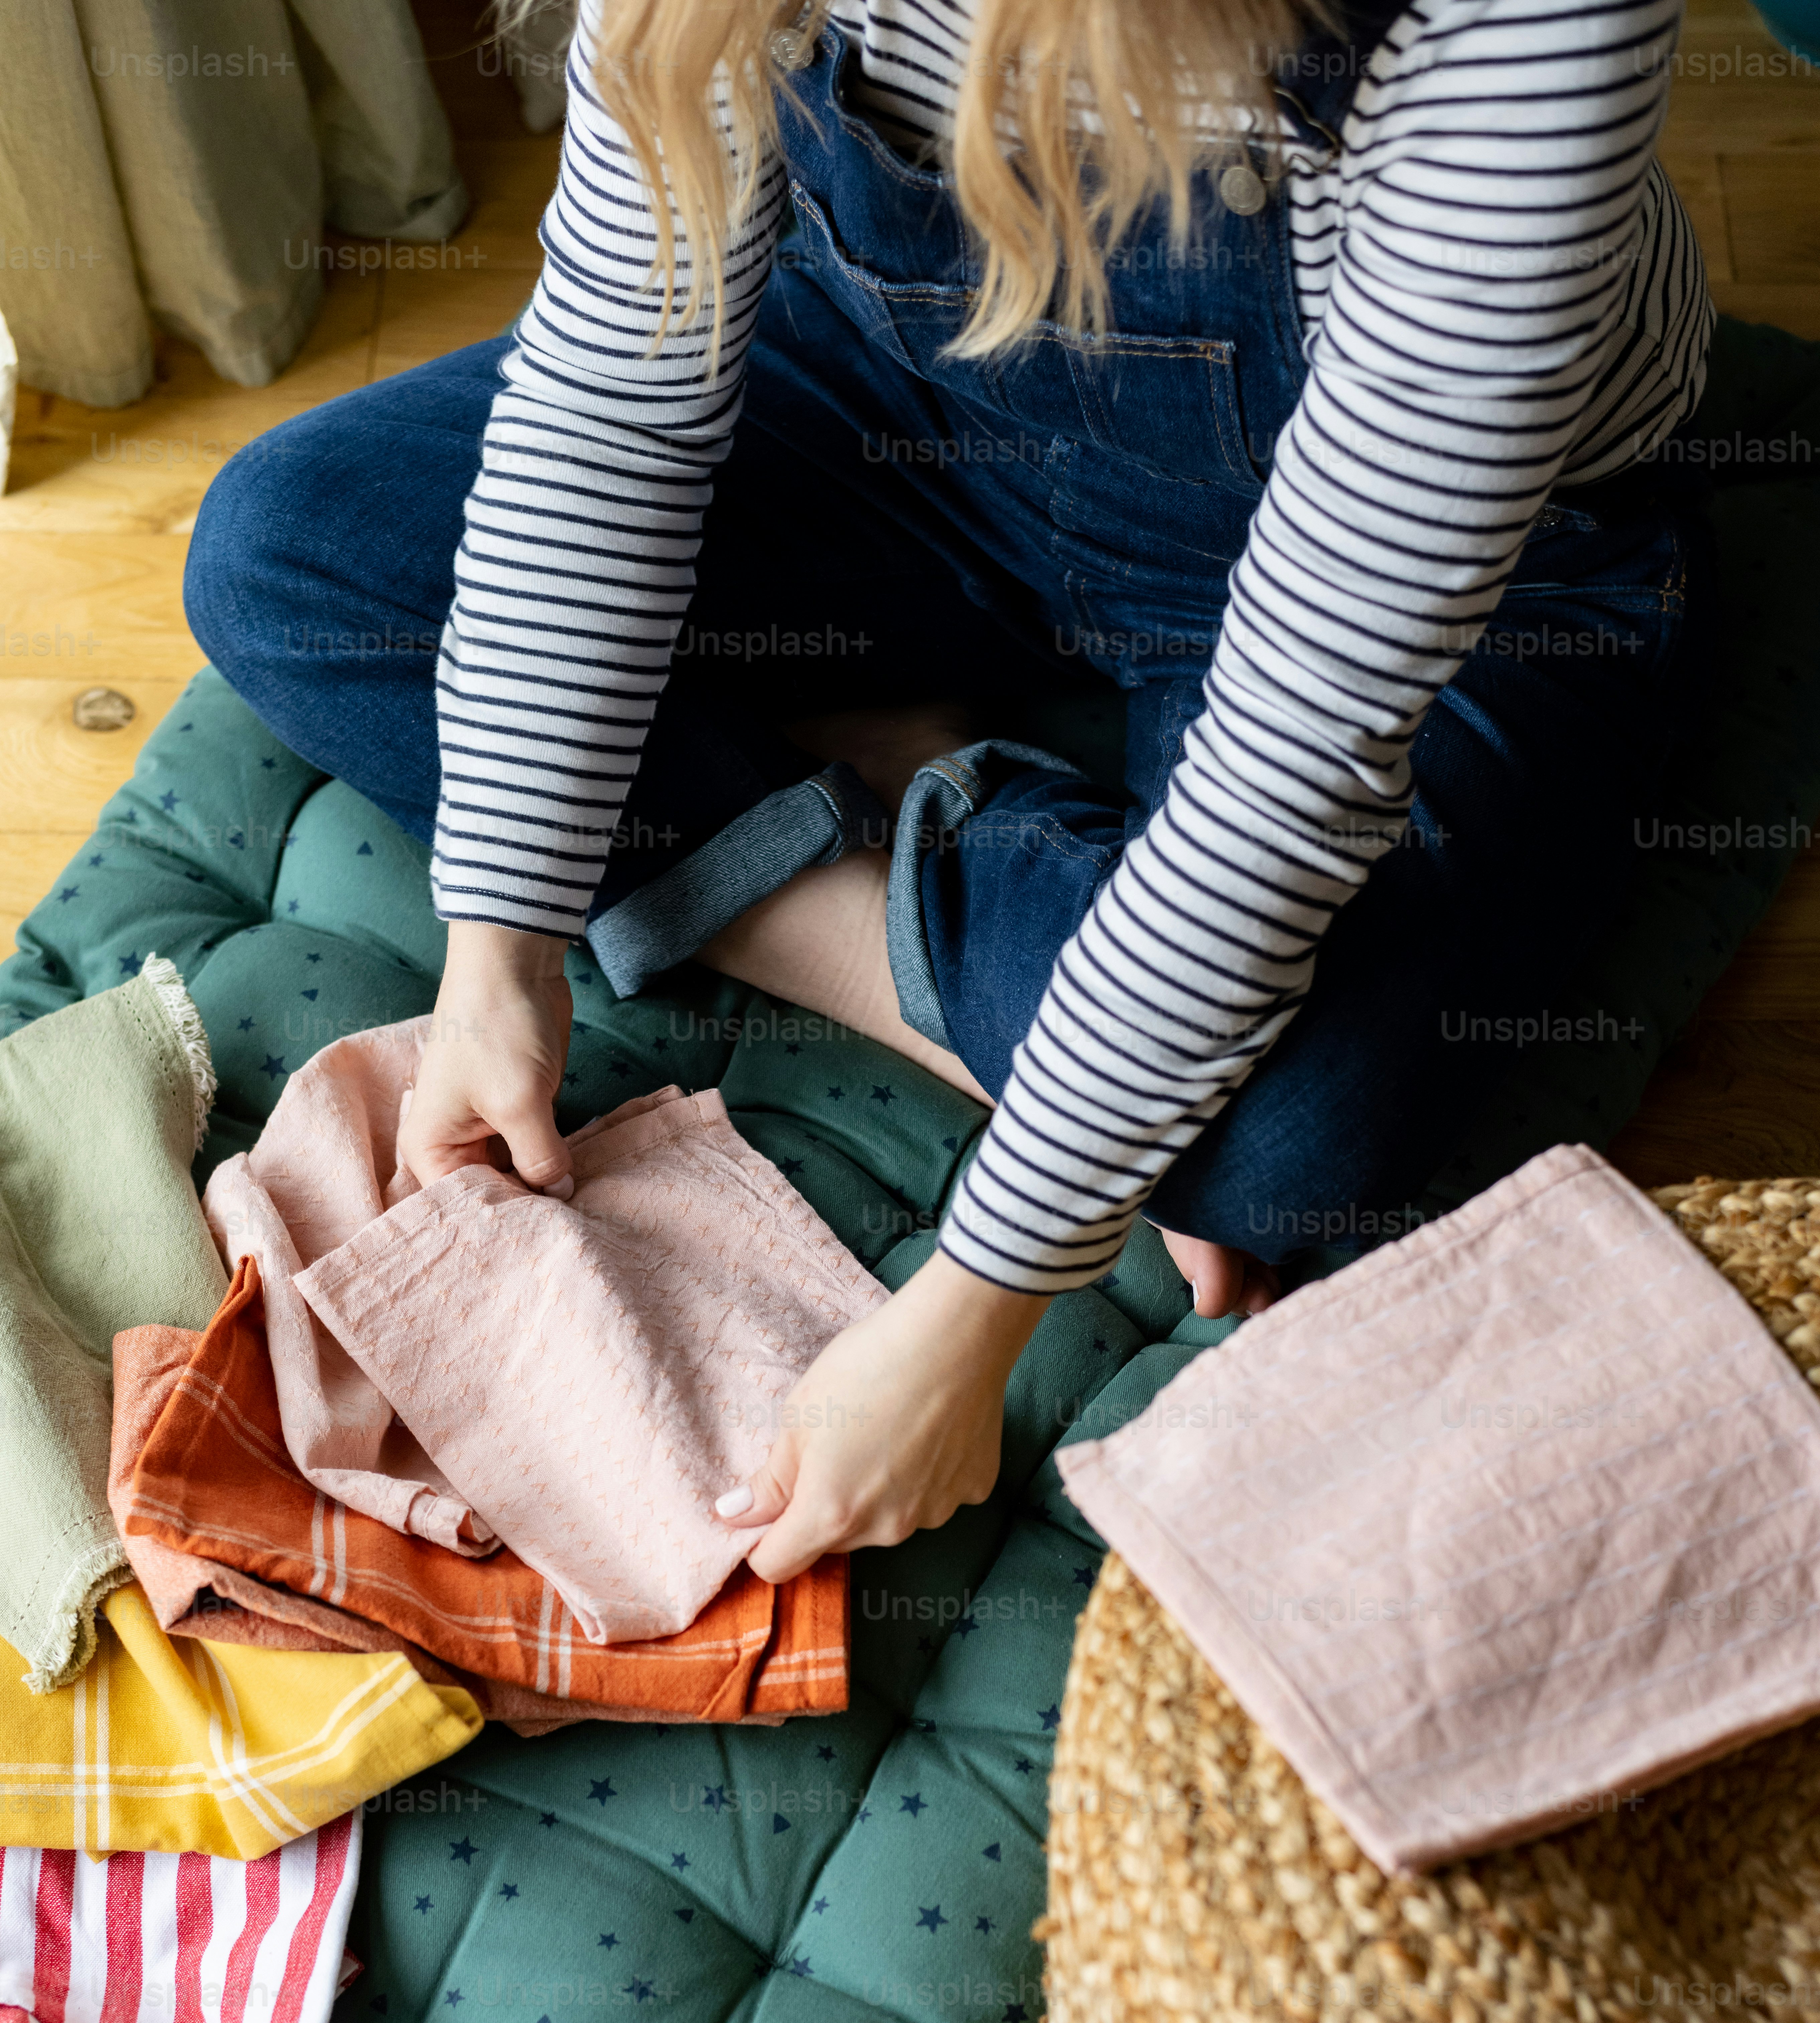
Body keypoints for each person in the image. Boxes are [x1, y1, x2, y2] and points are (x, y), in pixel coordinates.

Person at [186, 0, 1713, 1582]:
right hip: (916, 404)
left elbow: (1296, 757)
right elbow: (612, 403)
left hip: (1402, 574)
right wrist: (498, 956)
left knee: (1280, 1142)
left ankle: (913, 814)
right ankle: (933, 881)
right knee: (293, 558)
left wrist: (974, 1305)